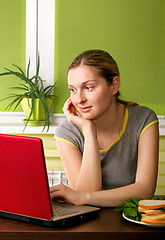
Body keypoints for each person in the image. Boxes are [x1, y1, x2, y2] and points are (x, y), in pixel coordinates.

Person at [50, 49, 159, 207]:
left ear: (114, 86)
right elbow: (85, 196)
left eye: (88, 87)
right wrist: (89, 130)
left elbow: (145, 190)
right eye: (73, 89)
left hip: (130, 222)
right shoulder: (67, 132)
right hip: (87, 223)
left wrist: (83, 197)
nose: (79, 99)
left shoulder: (143, 120)